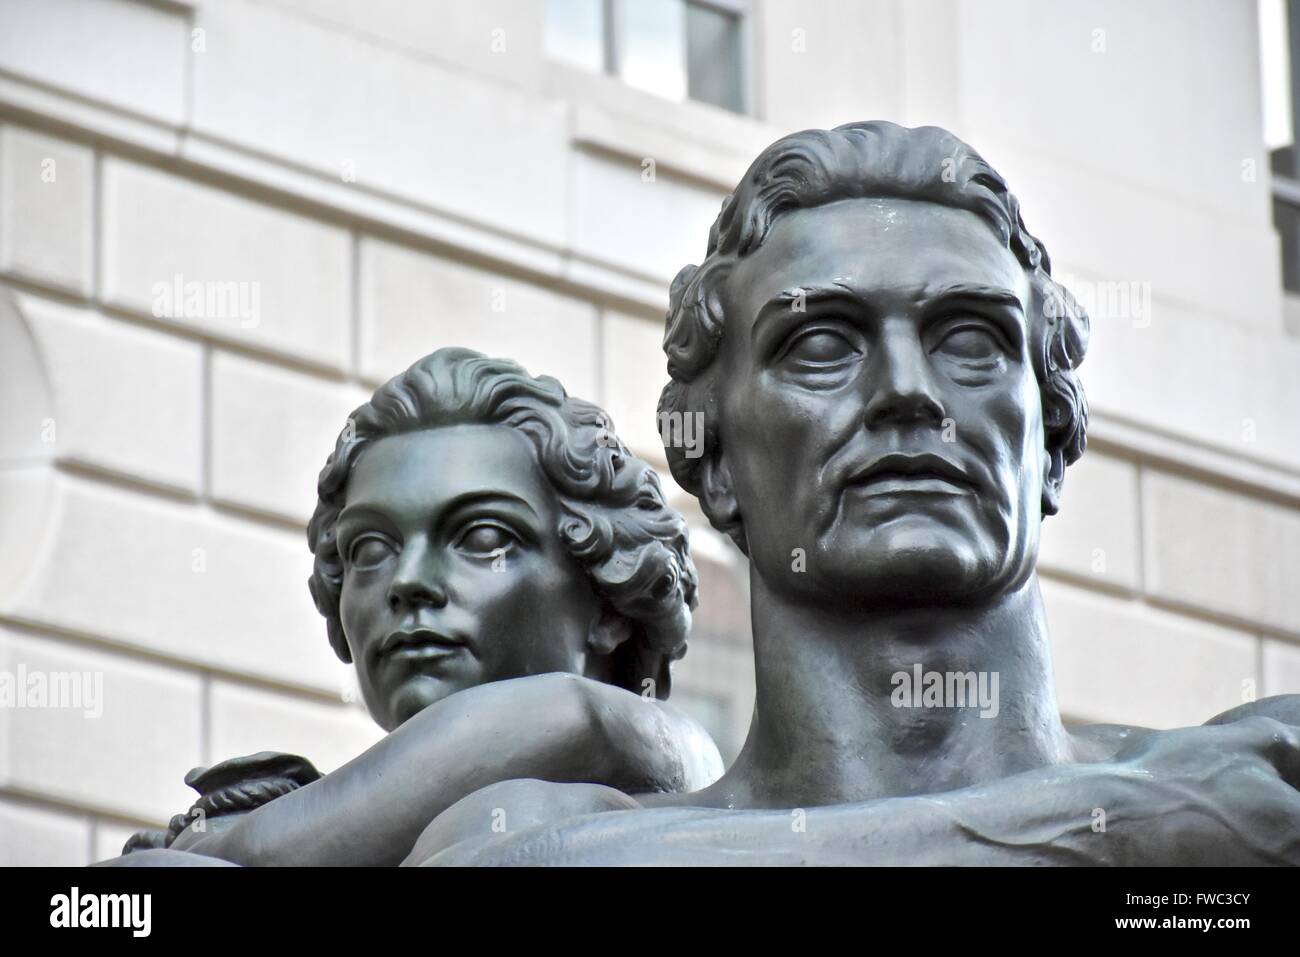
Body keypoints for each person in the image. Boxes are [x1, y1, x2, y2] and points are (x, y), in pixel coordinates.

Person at [405, 122, 1300, 866]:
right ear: (714, 460)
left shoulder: (1255, 781)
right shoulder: (542, 836)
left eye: (972, 340)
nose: (908, 391)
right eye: (822, 346)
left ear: (1051, 439)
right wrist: (1107, 826)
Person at [109, 347, 721, 866]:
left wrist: (226, 849)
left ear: (608, 602)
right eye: (371, 549)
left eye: (482, 539)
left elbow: (575, 718)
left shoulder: (665, 772)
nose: (407, 582)